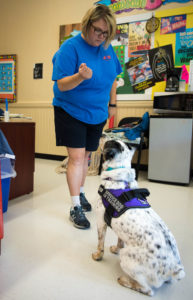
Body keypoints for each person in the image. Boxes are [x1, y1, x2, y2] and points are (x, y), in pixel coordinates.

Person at [52, 4, 122, 230]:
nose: (101, 37)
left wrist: (112, 104)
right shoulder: (69, 48)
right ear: (87, 24)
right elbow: (61, 85)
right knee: (77, 158)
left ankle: (80, 194)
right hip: (70, 110)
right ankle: (75, 207)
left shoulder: (108, 48)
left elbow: (113, 78)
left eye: (105, 33)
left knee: (88, 156)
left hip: (97, 112)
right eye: (97, 31)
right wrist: (80, 77)